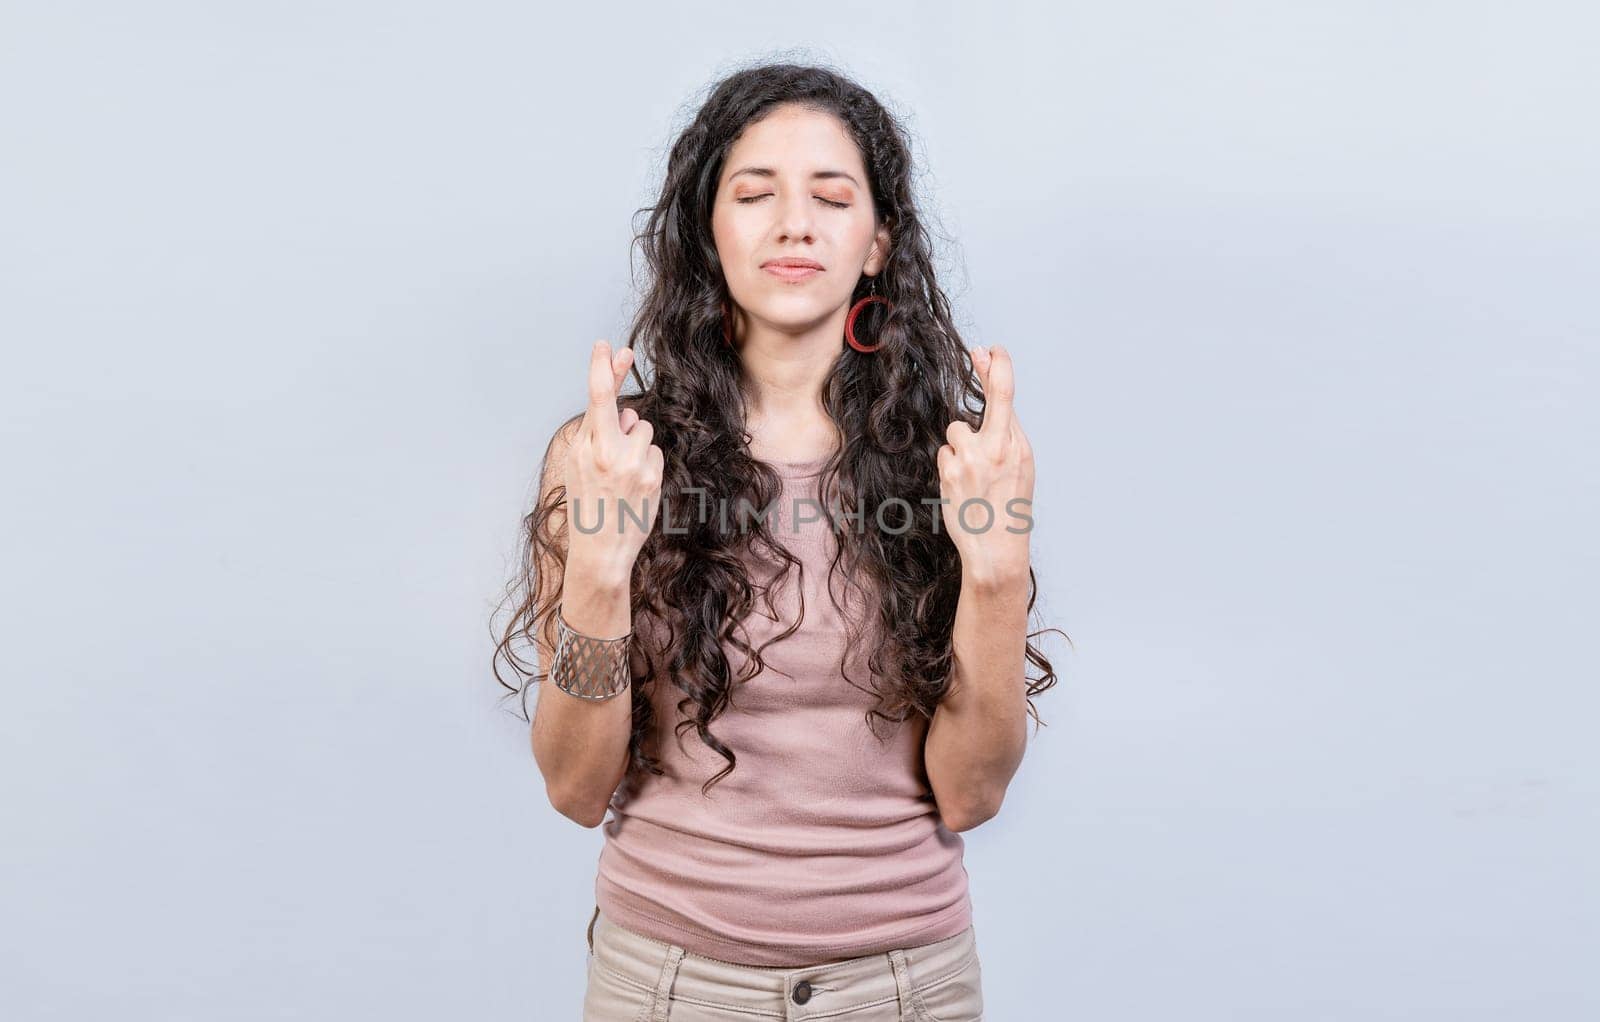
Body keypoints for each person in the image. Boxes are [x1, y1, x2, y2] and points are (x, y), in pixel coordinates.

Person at [493, 61, 1065, 1021]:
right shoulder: (612, 457)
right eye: (754, 194)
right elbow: (574, 786)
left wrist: (996, 565)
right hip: (667, 987)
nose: (793, 223)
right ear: (708, 235)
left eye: (832, 197)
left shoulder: (957, 461)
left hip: (904, 986)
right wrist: (598, 565)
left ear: (878, 241)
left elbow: (970, 796)